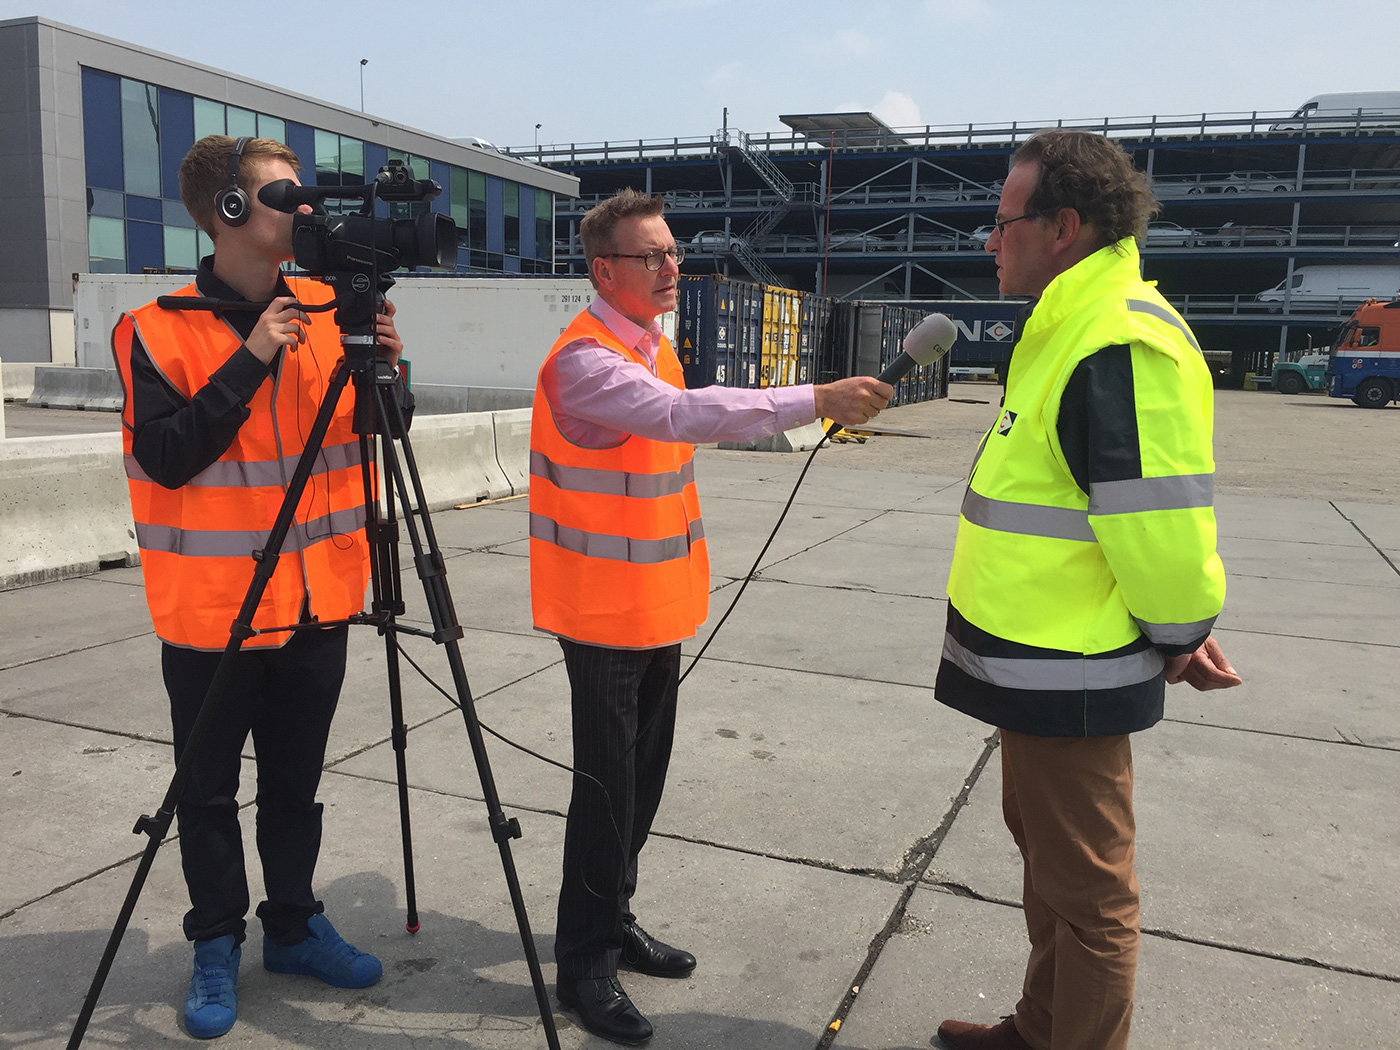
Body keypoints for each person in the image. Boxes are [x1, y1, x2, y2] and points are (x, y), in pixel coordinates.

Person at [530, 188, 892, 1045]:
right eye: (650, 256)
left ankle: (613, 918)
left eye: (672, 253)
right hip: (604, 614)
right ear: (603, 270)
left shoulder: (652, 345)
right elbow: (684, 417)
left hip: (658, 606)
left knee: (642, 781)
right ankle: (584, 961)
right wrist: (814, 399)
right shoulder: (584, 361)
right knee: (606, 792)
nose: (669, 268)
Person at [932, 130, 1242, 1050]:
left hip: (1072, 671)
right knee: (1050, 868)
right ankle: (1040, 1029)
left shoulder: (1117, 339)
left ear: (1062, 225)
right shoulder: (1069, 323)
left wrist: (1183, 630)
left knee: (1094, 897)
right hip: (1030, 664)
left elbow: (1158, 521)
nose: (990, 242)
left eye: (1002, 223)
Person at [112, 135, 409, 1039]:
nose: (307, 209)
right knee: (206, 795)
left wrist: (388, 367)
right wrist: (252, 358)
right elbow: (165, 459)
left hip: (320, 600)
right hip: (212, 615)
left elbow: (381, 432)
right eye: (286, 194)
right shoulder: (154, 328)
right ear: (228, 212)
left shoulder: (329, 310)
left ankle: (292, 926)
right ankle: (215, 944)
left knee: (294, 783)